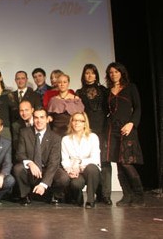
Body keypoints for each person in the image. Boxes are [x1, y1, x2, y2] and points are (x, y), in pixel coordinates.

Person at [105, 62, 145, 207]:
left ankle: (139, 195)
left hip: (127, 128)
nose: (113, 74)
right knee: (118, 164)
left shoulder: (130, 87)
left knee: (127, 163)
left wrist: (131, 123)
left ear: (122, 72)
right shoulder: (109, 90)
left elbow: (138, 108)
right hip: (112, 130)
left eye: (116, 71)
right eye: (111, 72)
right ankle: (127, 195)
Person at [13, 108, 69, 206]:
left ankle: (55, 196)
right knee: (18, 169)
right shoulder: (24, 133)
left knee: (63, 177)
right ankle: (25, 195)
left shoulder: (55, 137)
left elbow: (54, 163)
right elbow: (19, 154)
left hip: (47, 168)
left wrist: (43, 184)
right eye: (36, 118)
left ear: (47, 119)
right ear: (33, 119)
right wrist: (30, 163)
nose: (39, 121)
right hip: (32, 167)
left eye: (42, 117)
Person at [76, 63, 111, 205]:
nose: (89, 76)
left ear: (96, 75)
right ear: (83, 75)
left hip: (103, 129)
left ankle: (106, 195)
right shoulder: (79, 92)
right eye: (86, 73)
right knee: (92, 163)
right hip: (87, 131)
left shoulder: (104, 90)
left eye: (92, 73)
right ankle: (96, 193)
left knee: (105, 161)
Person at [61, 112, 101, 209]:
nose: (77, 123)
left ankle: (90, 200)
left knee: (92, 168)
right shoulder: (66, 139)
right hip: (74, 170)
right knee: (76, 184)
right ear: (71, 122)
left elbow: (95, 158)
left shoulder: (93, 137)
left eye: (80, 121)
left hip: (89, 170)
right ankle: (78, 198)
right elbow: (65, 159)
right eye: (75, 120)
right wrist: (70, 170)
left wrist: (79, 163)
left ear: (85, 123)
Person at [11, 71, 42, 149]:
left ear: (26, 80)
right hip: (15, 130)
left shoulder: (35, 95)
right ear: (15, 80)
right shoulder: (11, 95)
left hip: (31, 128)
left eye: (23, 78)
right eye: (18, 78)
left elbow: (38, 111)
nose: (20, 81)